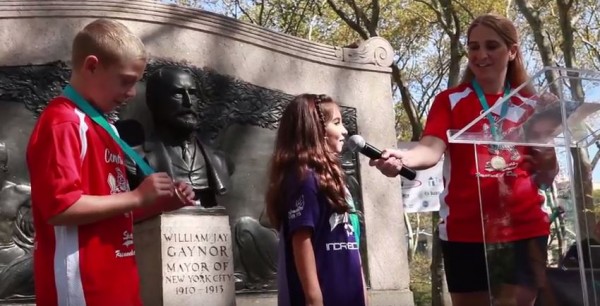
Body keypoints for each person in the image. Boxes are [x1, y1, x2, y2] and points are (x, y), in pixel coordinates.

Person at [370, 14, 558, 306]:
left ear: (512, 51)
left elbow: (546, 176)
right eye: (473, 47)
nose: (481, 55)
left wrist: (547, 147)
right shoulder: (450, 100)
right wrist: (404, 156)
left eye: (492, 46)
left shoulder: (532, 105)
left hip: (524, 228)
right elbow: (430, 148)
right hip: (466, 230)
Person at [26, 19, 195, 306]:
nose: (131, 93)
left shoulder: (108, 129)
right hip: (82, 290)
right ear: (91, 66)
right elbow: (60, 208)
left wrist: (159, 202)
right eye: (126, 80)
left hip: (119, 286)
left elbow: (113, 209)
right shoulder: (63, 122)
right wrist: (138, 195)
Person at [266, 94, 366, 306]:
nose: (345, 131)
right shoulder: (304, 179)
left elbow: (351, 244)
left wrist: (363, 294)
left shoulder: (337, 182)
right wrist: (314, 299)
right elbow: (302, 239)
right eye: (337, 123)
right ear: (317, 130)